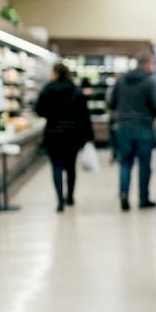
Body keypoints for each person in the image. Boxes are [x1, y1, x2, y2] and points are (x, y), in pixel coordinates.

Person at [107, 52, 156, 210]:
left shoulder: (121, 80)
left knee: (125, 163)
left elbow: (111, 102)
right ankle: (143, 198)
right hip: (144, 126)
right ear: (146, 64)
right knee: (144, 165)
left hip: (123, 127)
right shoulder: (149, 82)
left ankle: (124, 194)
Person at [35, 63, 92, 212]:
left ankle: (59, 199)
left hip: (53, 133)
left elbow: (39, 110)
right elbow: (84, 115)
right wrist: (88, 135)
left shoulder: (47, 90)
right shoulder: (75, 90)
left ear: (54, 73)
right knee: (71, 166)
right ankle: (70, 196)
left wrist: (51, 113)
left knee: (56, 166)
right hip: (72, 134)